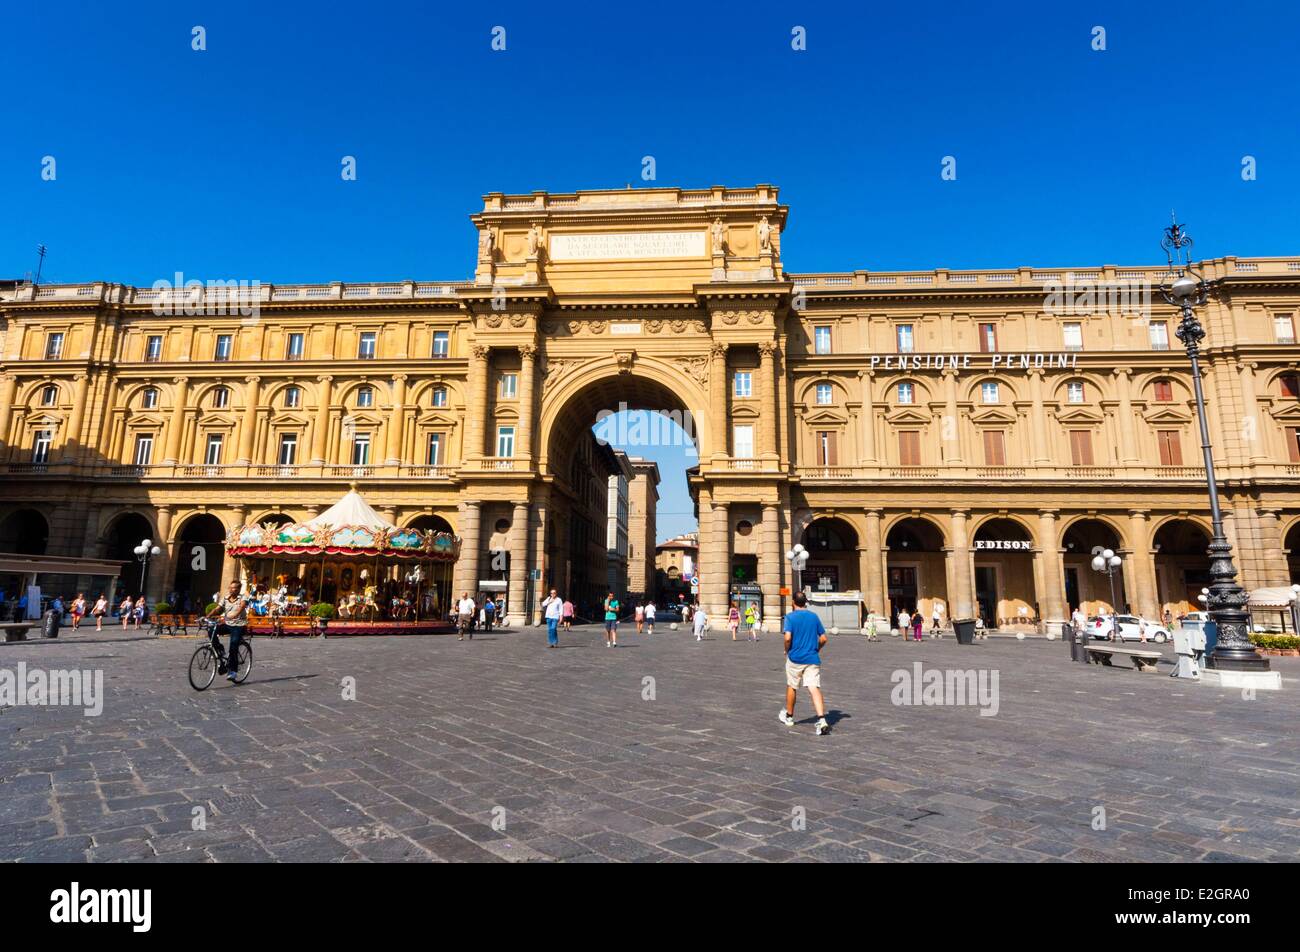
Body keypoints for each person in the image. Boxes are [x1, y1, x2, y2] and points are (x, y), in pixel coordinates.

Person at [779, 592, 830, 735]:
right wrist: (817, 649)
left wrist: (786, 650)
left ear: (793, 602)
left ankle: (789, 717)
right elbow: (824, 638)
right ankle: (822, 719)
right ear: (805, 602)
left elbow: (788, 638)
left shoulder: (790, 617)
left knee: (792, 686)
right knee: (814, 688)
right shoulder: (814, 617)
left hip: (795, 658)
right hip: (812, 658)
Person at [205, 579, 249, 682]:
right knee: (211, 630)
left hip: (239, 625)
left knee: (233, 645)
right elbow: (218, 608)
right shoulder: (225, 598)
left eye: (234, 588)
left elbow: (242, 606)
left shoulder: (243, 597)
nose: (231, 590)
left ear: (238, 589)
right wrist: (207, 616)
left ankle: (232, 671)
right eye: (230, 588)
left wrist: (235, 615)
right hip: (228, 624)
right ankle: (220, 650)